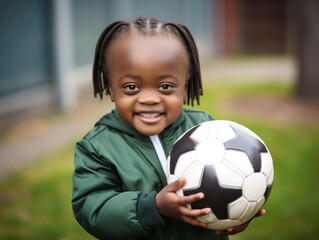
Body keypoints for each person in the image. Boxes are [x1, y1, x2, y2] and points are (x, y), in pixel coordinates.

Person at [72, 17, 264, 240]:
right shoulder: (98, 147)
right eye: (132, 87)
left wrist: (237, 214)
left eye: (165, 86)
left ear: (185, 86)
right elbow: (92, 209)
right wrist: (153, 206)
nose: (150, 99)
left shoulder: (208, 131)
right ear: (111, 88)